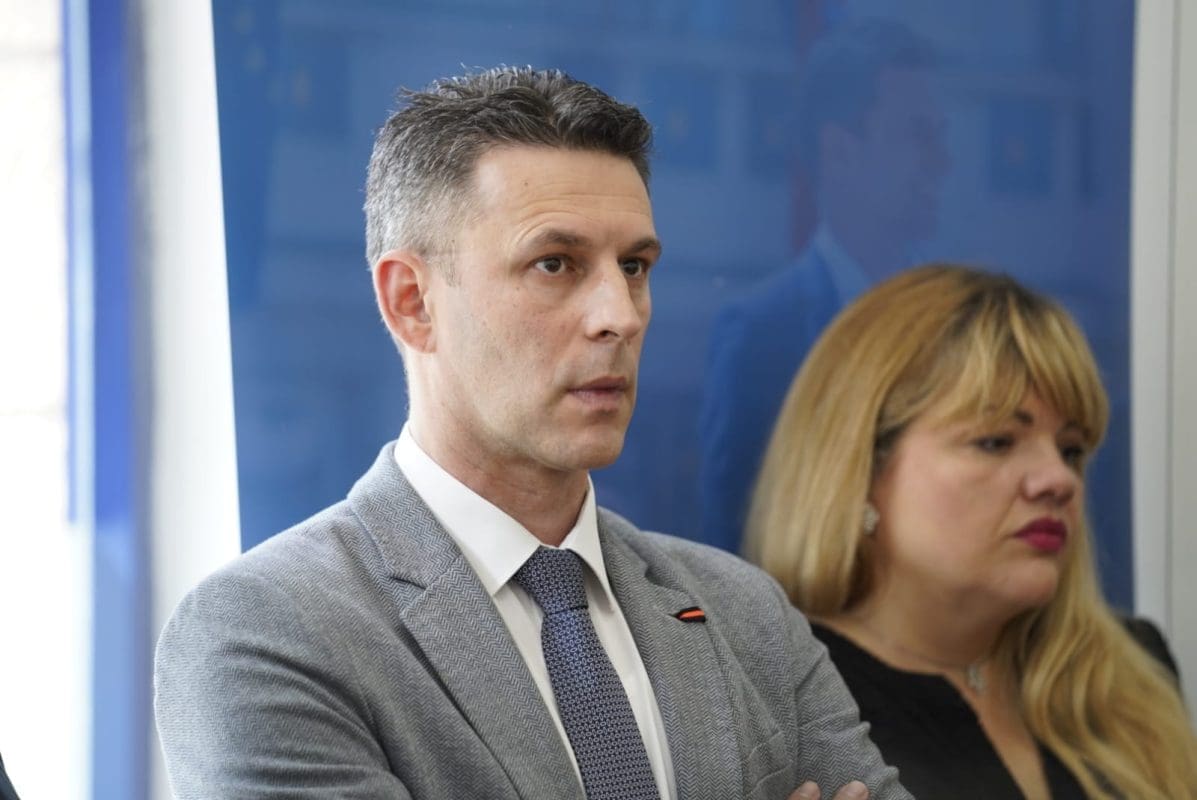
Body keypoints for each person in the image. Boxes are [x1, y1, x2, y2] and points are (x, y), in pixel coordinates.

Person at [153, 66, 912, 800]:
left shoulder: (742, 611)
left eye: (634, 265)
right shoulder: (269, 632)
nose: (619, 315)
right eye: (555, 264)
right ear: (413, 301)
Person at [745, 264, 1197, 799]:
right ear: (862, 469)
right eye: (996, 442)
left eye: (1071, 450)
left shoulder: (1130, 672)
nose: (1058, 480)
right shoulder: (789, 697)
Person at [699, 18, 949, 553]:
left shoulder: (956, 323)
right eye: (918, 136)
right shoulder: (760, 334)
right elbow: (732, 543)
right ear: (839, 151)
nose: (942, 163)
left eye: (938, 136)